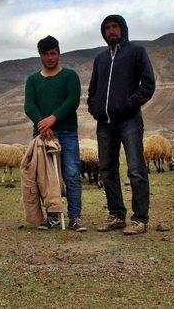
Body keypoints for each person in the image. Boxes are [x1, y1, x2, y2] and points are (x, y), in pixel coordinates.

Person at [87, 15, 155, 235]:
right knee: (107, 170)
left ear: (123, 29)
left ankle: (140, 218)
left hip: (129, 120)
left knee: (136, 168)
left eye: (115, 27)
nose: (111, 31)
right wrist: (94, 107)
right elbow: (93, 89)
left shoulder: (136, 52)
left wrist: (129, 104)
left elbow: (148, 84)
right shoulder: (101, 59)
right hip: (104, 123)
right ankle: (116, 215)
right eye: (107, 28)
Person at [24, 35, 86, 232]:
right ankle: (53, 216)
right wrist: (43, 125)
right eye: (46, 54)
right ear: (40, 56)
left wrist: (53, 119)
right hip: (42, 135)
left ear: (59, 53)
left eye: (53, 53)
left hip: (66, 132)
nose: (50, 58)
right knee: (46, 176)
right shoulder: (33, 80)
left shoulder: (70, 76)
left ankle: (75, 217)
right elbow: (29, 105)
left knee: (71, 173)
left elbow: (72, 100)